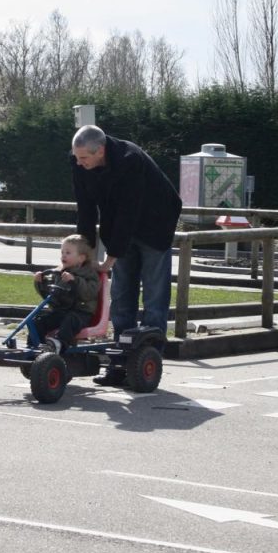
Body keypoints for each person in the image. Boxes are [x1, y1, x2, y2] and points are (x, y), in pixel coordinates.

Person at [70, 124, 182, 386]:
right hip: (120, 225)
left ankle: (147, 365)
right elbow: (85, 208)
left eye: (84, 158)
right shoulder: (78, 160)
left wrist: (112, 256)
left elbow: (128, 212)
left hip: (155, 223)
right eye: (76, 157)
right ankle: (119, 364)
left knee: (154, 296)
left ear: (101, 151)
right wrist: (83, 253)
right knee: (121, 296)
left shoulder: (130, 160)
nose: (78, 162)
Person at [31, 234, 100, 353]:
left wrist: (75, 280)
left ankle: (59, 344)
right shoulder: (59, 272)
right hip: (62, 310)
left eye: (68, 253)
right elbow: (50, 294)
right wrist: (40, 282)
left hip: (81, 313)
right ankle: (34, 346)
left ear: (81, 258)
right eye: (62, 252)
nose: (63, 256)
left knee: (70, 320)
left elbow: (90, 292)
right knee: (38, 321)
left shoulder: (89, 273)